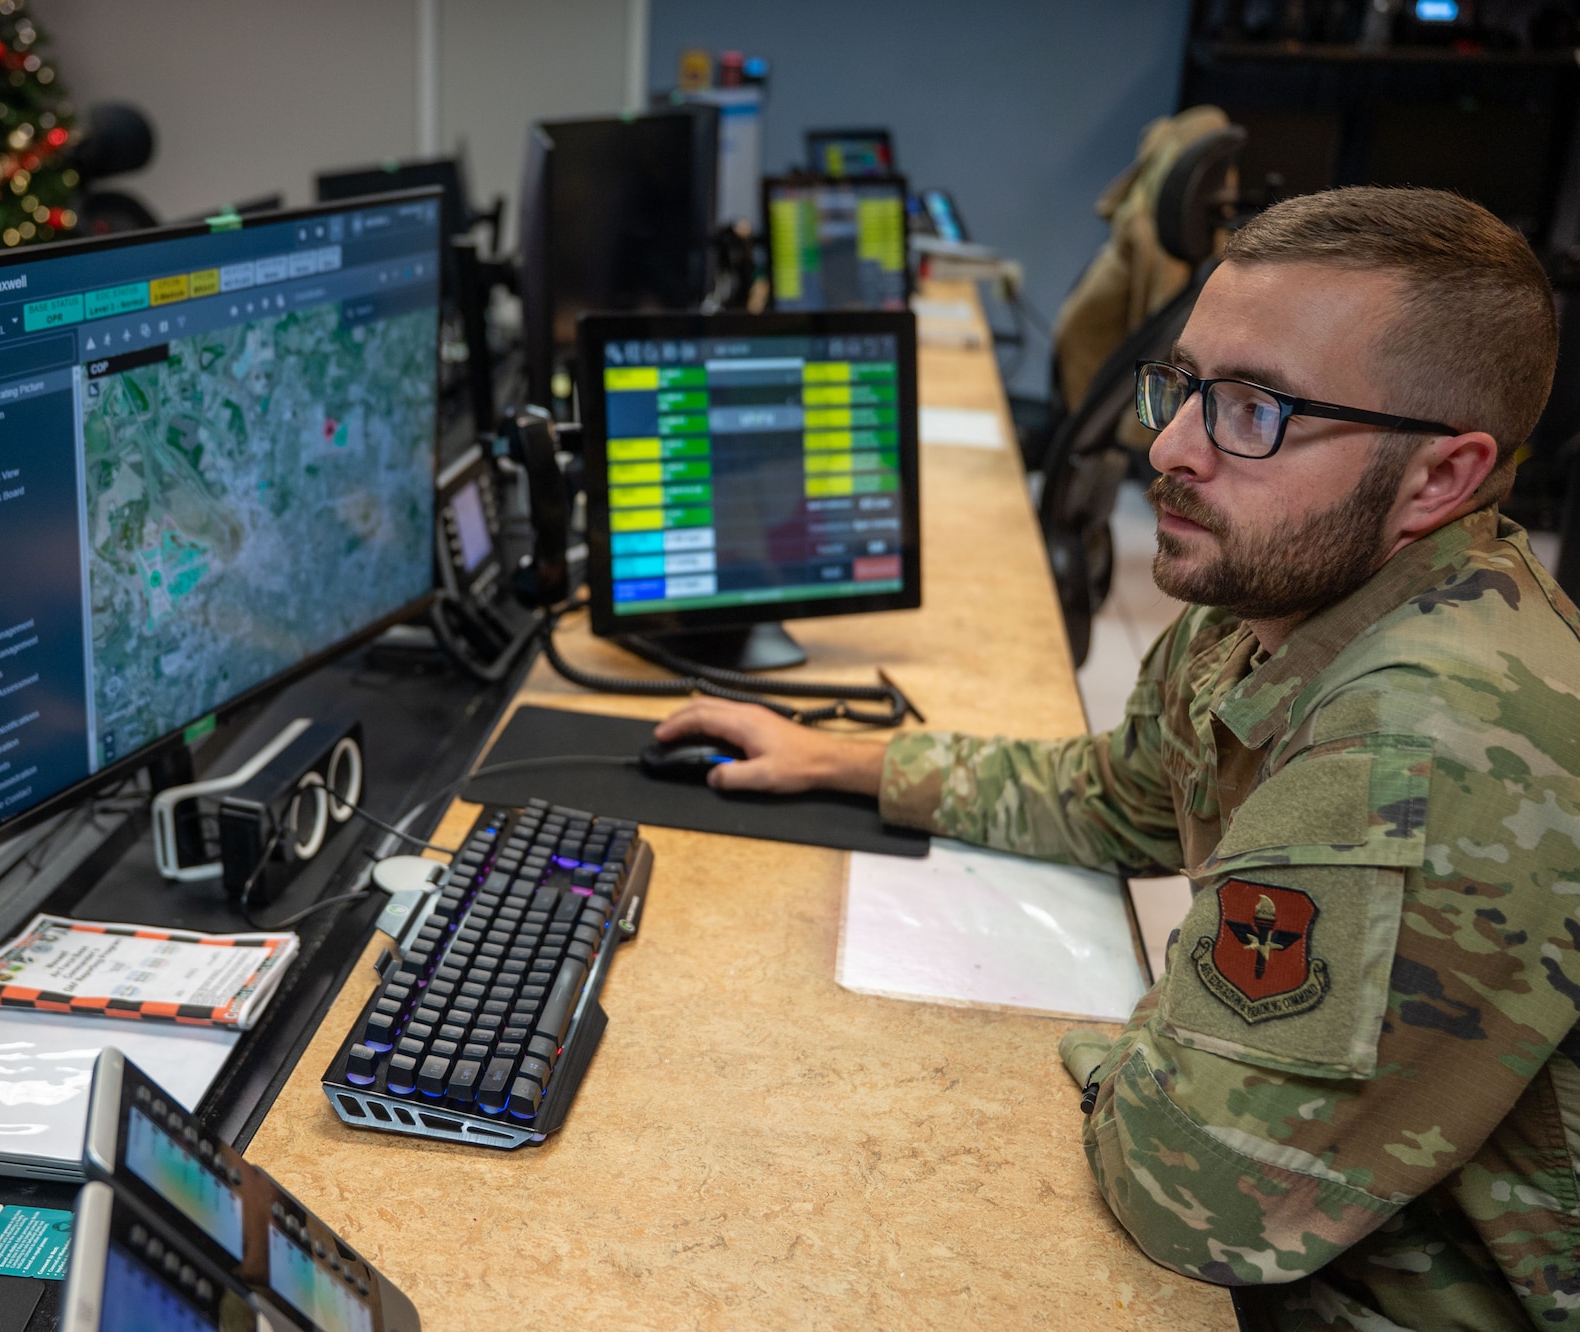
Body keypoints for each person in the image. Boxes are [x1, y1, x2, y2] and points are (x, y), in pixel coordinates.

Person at [658, 187, 1580, 1330]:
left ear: (1440, 479)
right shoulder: (1271, 594)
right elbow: (1118, 800)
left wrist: (1140, 1041)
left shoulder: (1425, 740)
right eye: (1184, 387)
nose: (1170, 446)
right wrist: (851, 761)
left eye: (1254, 410)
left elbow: (1189, 1189)